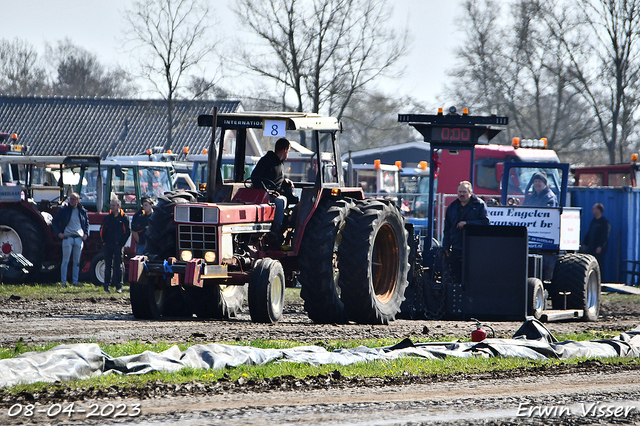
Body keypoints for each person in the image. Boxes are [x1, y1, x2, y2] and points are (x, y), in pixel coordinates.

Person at [441, 181, 490, 282]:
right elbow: (447, 229)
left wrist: (467, 223)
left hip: (474, 247)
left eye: (464, 192)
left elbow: (485, 223)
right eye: (459, 192)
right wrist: (445, 246)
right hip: (457, 246)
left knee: (472, 275)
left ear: (470, 192)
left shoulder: (479, 205)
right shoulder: (452, 207)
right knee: (456, 274)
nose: (461, 194)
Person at [250, 137, 298, 239]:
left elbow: (276, 177)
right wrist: (267, 192)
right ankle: (276, 232)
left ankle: (279, 229)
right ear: (285, 150)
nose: (287, 155)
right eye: (288, 152)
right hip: (264, 195)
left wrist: (286, 180)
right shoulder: (267, 160)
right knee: (279, 201)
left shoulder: (280, 164)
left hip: (275, 194)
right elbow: (255, 177)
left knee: (281, 200)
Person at [52, 192, 89, 287]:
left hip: (78, 238)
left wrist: (86, 233)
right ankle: (63, 282)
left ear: (78, 201)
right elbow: (54, 221)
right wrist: (58, 233)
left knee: (77, 262)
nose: (71, 201)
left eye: (73, 199)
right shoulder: (64, 210)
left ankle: (75, 282)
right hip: (67, 238)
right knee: (65, 261)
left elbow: (86, 223)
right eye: (70, 199)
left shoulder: (82, 211)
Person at [100, 198, 131, 293]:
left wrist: (121, 244)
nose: (111, 207)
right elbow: (102, 230)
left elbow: (128, 232)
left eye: (113, 205)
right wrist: (104, 242)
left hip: (118, 245)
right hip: (108, 245)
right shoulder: (108, 217)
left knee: (119, 266)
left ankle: (119, 286)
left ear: (119, 206)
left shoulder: (124, 218)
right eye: (111, 205)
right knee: (108, 266)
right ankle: (106, 286)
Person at [582, 203, 611, 274]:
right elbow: (589, 233)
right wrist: (585, 243)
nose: (592, 210)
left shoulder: (604, 222)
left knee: (599, 265)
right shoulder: (593, 221)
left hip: (599, 250)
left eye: (594, 209)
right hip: (591, 248)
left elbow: (605, 236)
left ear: (598, 210)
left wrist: (600, 246)